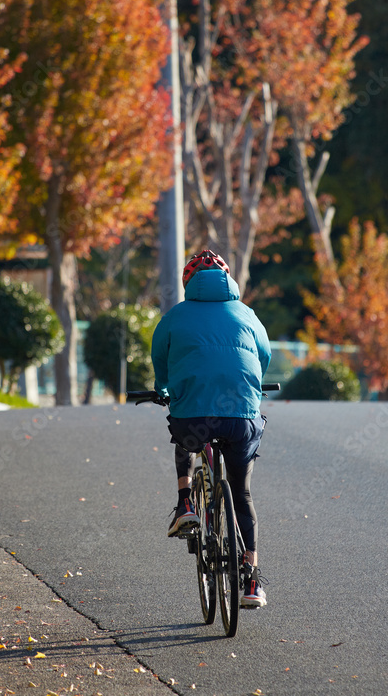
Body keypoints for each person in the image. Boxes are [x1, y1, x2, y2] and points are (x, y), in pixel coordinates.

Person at [151, 249, 272, 608]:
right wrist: (252, 387)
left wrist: (162, 390)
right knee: (243, 494)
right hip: (241, 417)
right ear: (229, 280)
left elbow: (161, 359)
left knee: (185, 439)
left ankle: (186, 503)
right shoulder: (247, 314)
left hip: (195, 416)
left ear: (189, 282)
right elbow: (263, 357)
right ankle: (251, 582)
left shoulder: (175, 316)